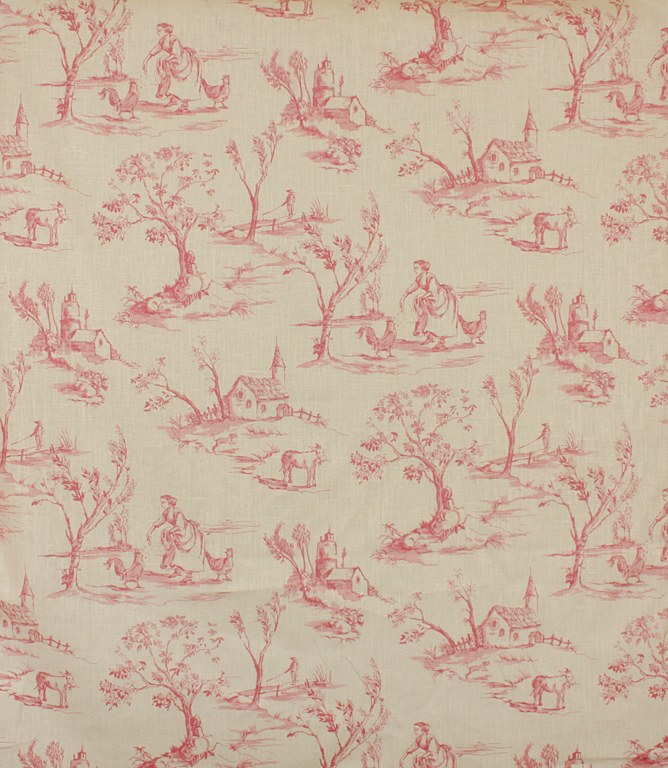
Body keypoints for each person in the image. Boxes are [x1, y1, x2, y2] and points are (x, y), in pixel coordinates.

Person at [143, 23, 202, 112]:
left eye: (160, 30)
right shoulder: (162, 40)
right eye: (157, 30)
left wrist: (167, 59)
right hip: (173, 60)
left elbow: (176, 54)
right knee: (167, 75)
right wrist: (146, 60)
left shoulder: (174, 39)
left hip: (184, 61)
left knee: (183, 82)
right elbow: (155, 50)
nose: (158, 32)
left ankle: (184, 105)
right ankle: (173, 99)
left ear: (166, 31)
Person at [147, 495, 206, 582]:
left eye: (163, 502)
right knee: (173, 550)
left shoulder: (177, 511)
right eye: (161, 502)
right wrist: (150, 531)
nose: (161, 504)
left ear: (170, 503)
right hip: (177, 532)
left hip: (187, 533)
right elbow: (159, 522)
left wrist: (170, 531)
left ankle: (188, 575)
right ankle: (177, 570)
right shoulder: (166, 512)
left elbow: (180, 525)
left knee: (187, 554)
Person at [399, 260, 459, 340]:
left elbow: (433, 291)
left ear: (423, 268)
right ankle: (426, 333)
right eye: (414, 268)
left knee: (422, 300)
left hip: (440, 297)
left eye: (416, 268)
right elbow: (412, 287)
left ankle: (439, 339)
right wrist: (403, 297)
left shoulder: (430, 276)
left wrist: (423, 297)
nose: (414, 270)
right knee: (420, 303)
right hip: (430, 296)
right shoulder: (419, 278)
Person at [648, 28, 668, 101]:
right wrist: (650, 64)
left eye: (663, 35)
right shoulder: (666, 44)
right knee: (665, 79)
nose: (662, 37)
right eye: (661, 35)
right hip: (666, 66)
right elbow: (659, 54)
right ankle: (665, 95)